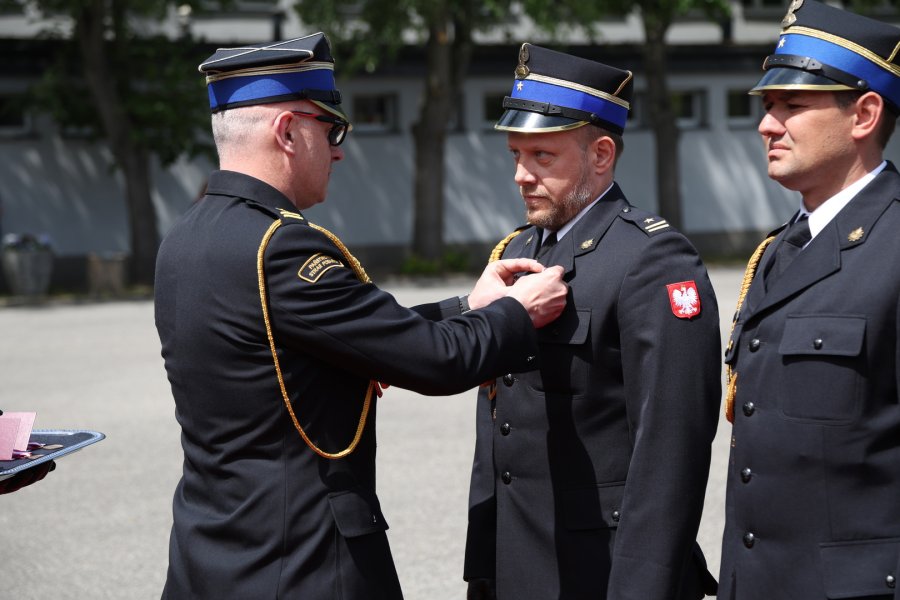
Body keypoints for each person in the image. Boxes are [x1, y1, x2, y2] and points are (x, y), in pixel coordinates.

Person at [154, 33, 568, 599]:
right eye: (332, 131)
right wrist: (519, 314)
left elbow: (341, 332)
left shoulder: (188, 235)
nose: (340, 150)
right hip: (299, 564)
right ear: (287, 131)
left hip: (213, 555)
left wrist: (468, 308)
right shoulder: (281, 248)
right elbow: (436, 362)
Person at [463, 43, 722, 599]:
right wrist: (484, 565)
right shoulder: (518, 250)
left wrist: (641, 587)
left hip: (598, 572)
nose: (521, 175)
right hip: (517, 562)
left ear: (601, 154)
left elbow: (671, 449)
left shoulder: (653, 260)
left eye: (542, 157)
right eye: (515, 154)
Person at [720, 2, 900, 599]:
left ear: (865, 114)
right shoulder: (778, 251)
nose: (767, 126)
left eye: (792, 106)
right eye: (769, 107)